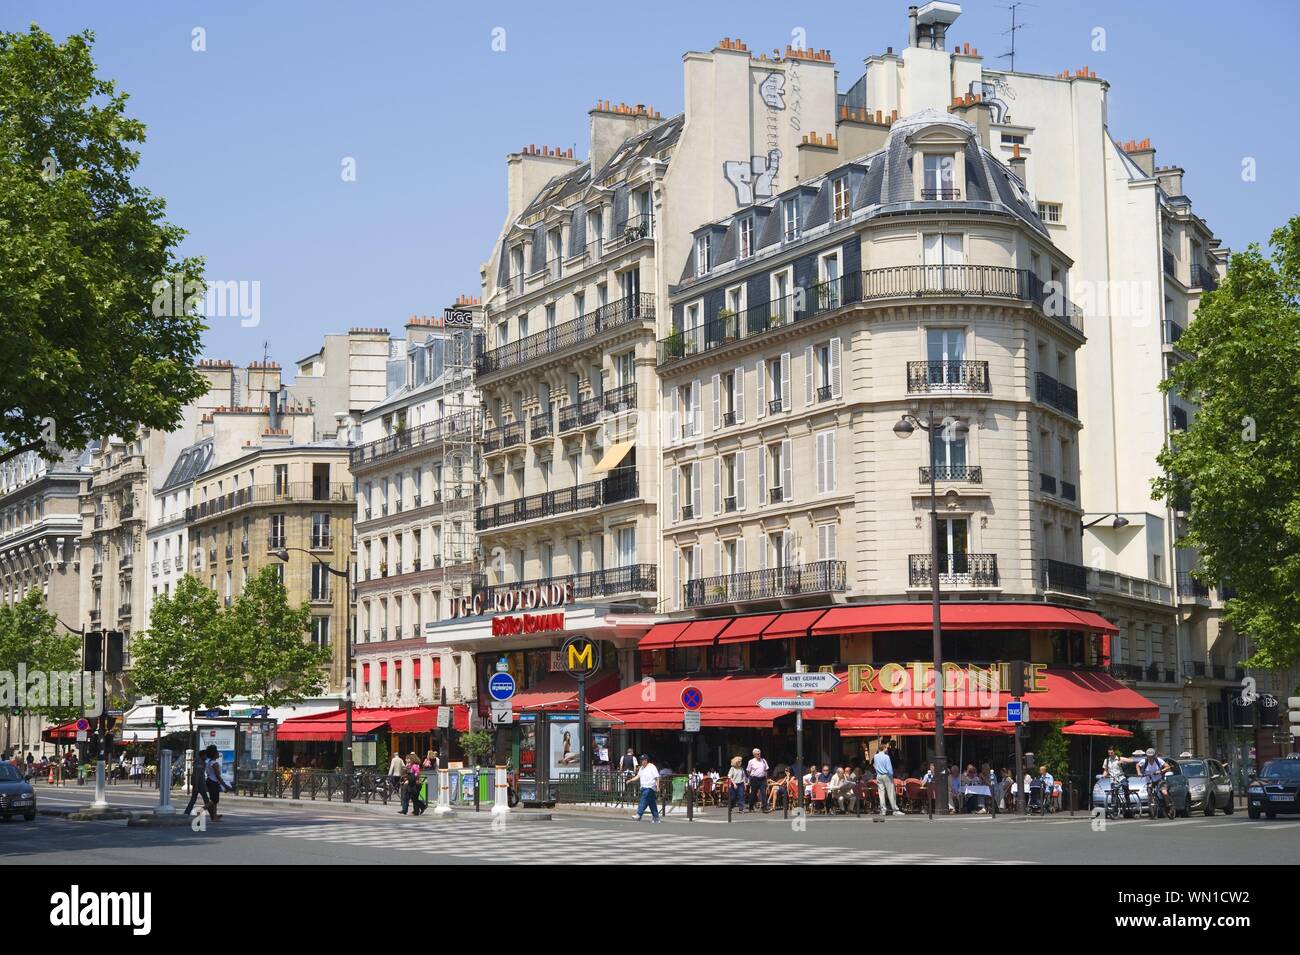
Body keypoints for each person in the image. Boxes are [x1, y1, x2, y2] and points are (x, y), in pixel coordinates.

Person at [203, 745, 233, 819]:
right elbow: (217, 776)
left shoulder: (209, 762)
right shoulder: (214, 764)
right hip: (213, 782)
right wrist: (224, 785)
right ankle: (201, 810)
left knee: (214, 800)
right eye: (216, 753)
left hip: (209, 781)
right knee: (214, 800)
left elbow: (209, 773)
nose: (218, 754)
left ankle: (214, 816)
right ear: (214, 754)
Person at [1137, 748, 1171, 812]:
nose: (1150, 758)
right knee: (1150, 793)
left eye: (1152, 756)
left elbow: (1167, 766)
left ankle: (1168, 805)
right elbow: (1137, 765)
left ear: (1154, 755)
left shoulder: (1159, 760)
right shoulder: (1144, 761)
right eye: (1148, 756)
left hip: (1159, 779)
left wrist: (1161, 771)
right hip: (1149, 780)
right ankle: (1153, 806)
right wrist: (1139, 772)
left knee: (1164, 792)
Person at [634, 754, 661, 823]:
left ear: (646, 760)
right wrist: (631, 780)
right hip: (643, 787)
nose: (641, 762)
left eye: (643, 760)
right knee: (652, 803)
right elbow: (638, 776)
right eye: (641, 760)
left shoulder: (652, 767)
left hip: (650, 787)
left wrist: (657, 786)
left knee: (644, 799)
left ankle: (639, 814)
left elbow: (657, 777)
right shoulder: (641, 768)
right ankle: (656, 817)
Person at [874, 742, 898, 816]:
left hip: (878, 775)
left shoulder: (875, 756)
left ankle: (883, 810)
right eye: (886, 748)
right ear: (883, 748)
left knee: (881, 793)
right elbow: (889, 768)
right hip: (886, 775)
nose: (887, 749)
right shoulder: (886, 756)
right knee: (891, 792)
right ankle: (895, 810)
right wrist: (891, 775)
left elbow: (874, 765)